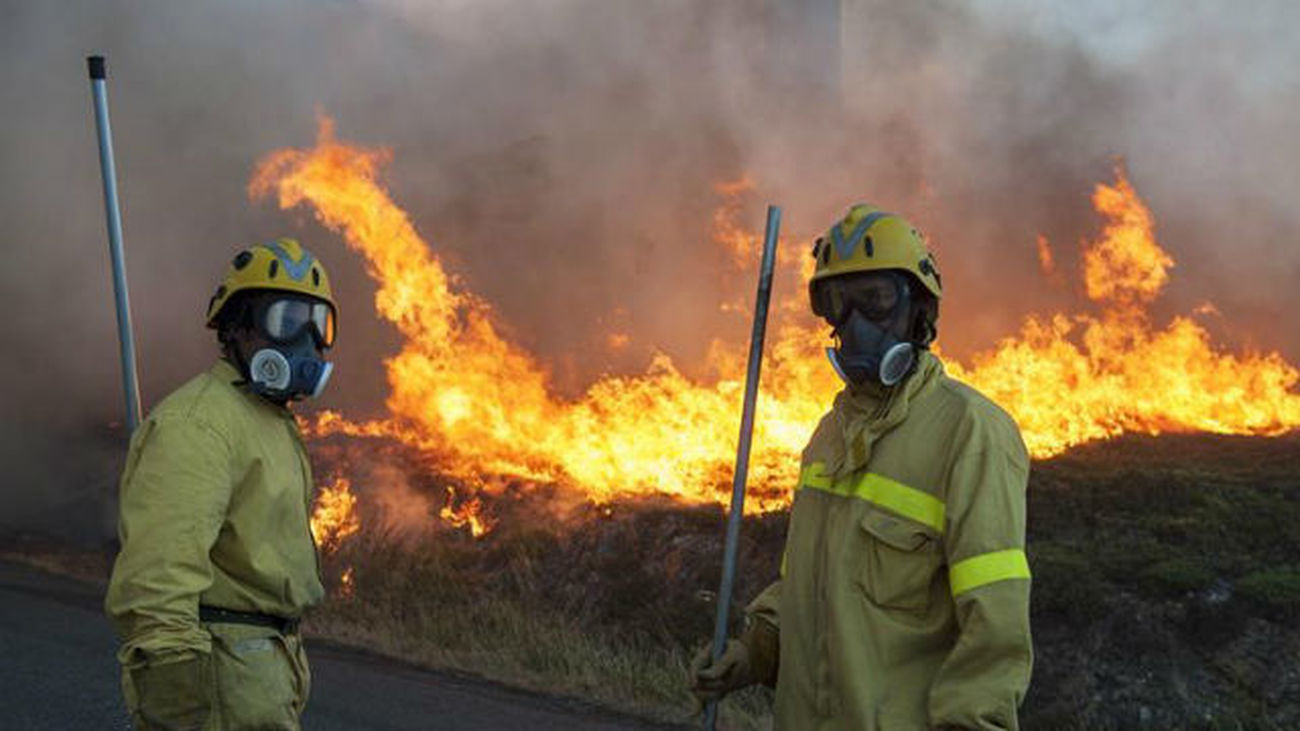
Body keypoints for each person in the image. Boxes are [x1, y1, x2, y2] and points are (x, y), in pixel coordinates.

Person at [691, 205, 1033, 729]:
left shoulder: (970, 433)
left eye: (875, 299)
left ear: (919, 308)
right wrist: (756, 652)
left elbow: (994, 625)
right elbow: (808, 584)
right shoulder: (829, 437)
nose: (855, 325)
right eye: (838, 303)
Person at [105, 238, 339, 730]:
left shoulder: (266, 421)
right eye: (287, 320)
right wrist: (174, 703)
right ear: (237, 326)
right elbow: (157, 579)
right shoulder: (197, 425)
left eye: (319, 324)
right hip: (219, 679)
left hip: (264, 670)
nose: (306, 341)